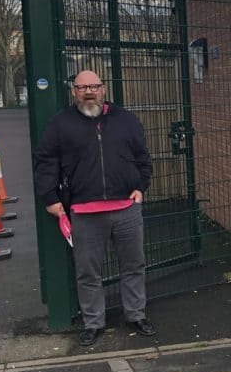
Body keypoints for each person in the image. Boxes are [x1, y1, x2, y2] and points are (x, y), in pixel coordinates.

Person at [34, 70, 154, 347]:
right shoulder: (60, 124)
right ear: (73, 91)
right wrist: (50, 199)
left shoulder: (125, 120)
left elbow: (142, 156)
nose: (89, 92)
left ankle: (136, 315)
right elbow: (45, 162)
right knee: (88, 272)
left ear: (103, 89)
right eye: (82, 87)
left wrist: (142, 187)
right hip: (84, 212)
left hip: (126, 208)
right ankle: (93, 322)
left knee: (134, 265)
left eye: (94, 86)